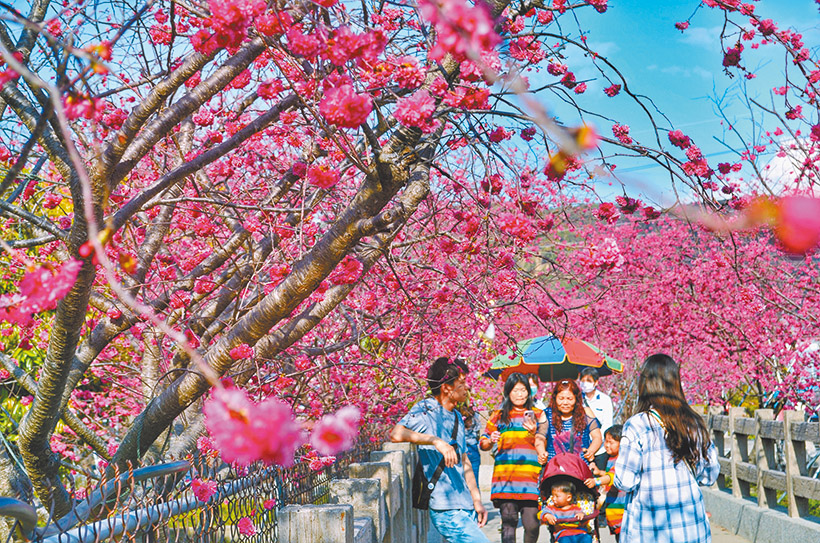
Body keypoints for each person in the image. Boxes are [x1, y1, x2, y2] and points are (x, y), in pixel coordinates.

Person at [614, 354, 720, 543]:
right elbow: (709, 475)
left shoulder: (637, 425)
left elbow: (625, 481)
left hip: (649, 528)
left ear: (645, 385)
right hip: (690, 528)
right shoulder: (694, 422)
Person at [389, 357, 489, 543]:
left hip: (465, 506)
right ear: (447, 388)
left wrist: (476, 500)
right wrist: (435, 441)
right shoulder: (426, 410)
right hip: (446, 509)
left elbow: (465, 461)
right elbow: (396, 433)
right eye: (462, 383)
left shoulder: (458, 416)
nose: (467, 388)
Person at [479, 373, 545, 543]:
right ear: (508, 392)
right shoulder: (499, 415)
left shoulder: (539, 415)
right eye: (516, 390)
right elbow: (483, 443)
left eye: (523, 390)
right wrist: (490, 440)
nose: (520, 394)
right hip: (506, 479)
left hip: (531, 479)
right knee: (509, 523)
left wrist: (534, 432)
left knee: (532, 525)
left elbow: (546, 441)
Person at [535, 379, 602, 465]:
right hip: (554, 467)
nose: (565, 402)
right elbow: (540, 438)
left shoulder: (586, 413)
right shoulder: (547, 414)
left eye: (569, 399)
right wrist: (541, 453)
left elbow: (597, 437)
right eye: (561, 398)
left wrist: (591, 451)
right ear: (555, 398)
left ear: (576, 399)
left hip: (580, 466)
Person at [584, 425, 625, 541]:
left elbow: (612, 477)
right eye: (606, 441)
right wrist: (599, 472)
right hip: (614, 507)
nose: (606, 445)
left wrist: (596, 481)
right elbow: (609, 473)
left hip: (621, 509)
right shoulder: (611, 458)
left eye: (611, 442)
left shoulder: (622, 459)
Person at [578, 367, 614, 471]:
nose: (585, 384)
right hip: (582, 449)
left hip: (600, 450)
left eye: (588, 381)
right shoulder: (577, 399)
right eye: (583, 381)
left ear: (596, 382)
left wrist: (595, 442)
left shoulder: (604, 400)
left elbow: (607, 424)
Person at [459, 402, 482, 489]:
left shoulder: (454, 411)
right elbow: (478, 428)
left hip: (459, 447)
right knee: (474, 484)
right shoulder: (474, 410)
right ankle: (475, 502)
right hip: (472, 447)